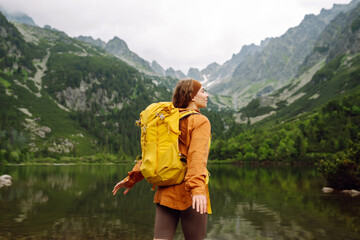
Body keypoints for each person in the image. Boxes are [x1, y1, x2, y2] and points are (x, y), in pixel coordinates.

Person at [112, 79, 211, 240]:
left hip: (165, 191)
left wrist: (131, 178)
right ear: (192, 96)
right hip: (190, 194)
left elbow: (153, 155)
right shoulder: (199, 120)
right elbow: (197, 158)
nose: (207, 95)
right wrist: (197, 190)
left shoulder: (166, 120)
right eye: (203, 91)